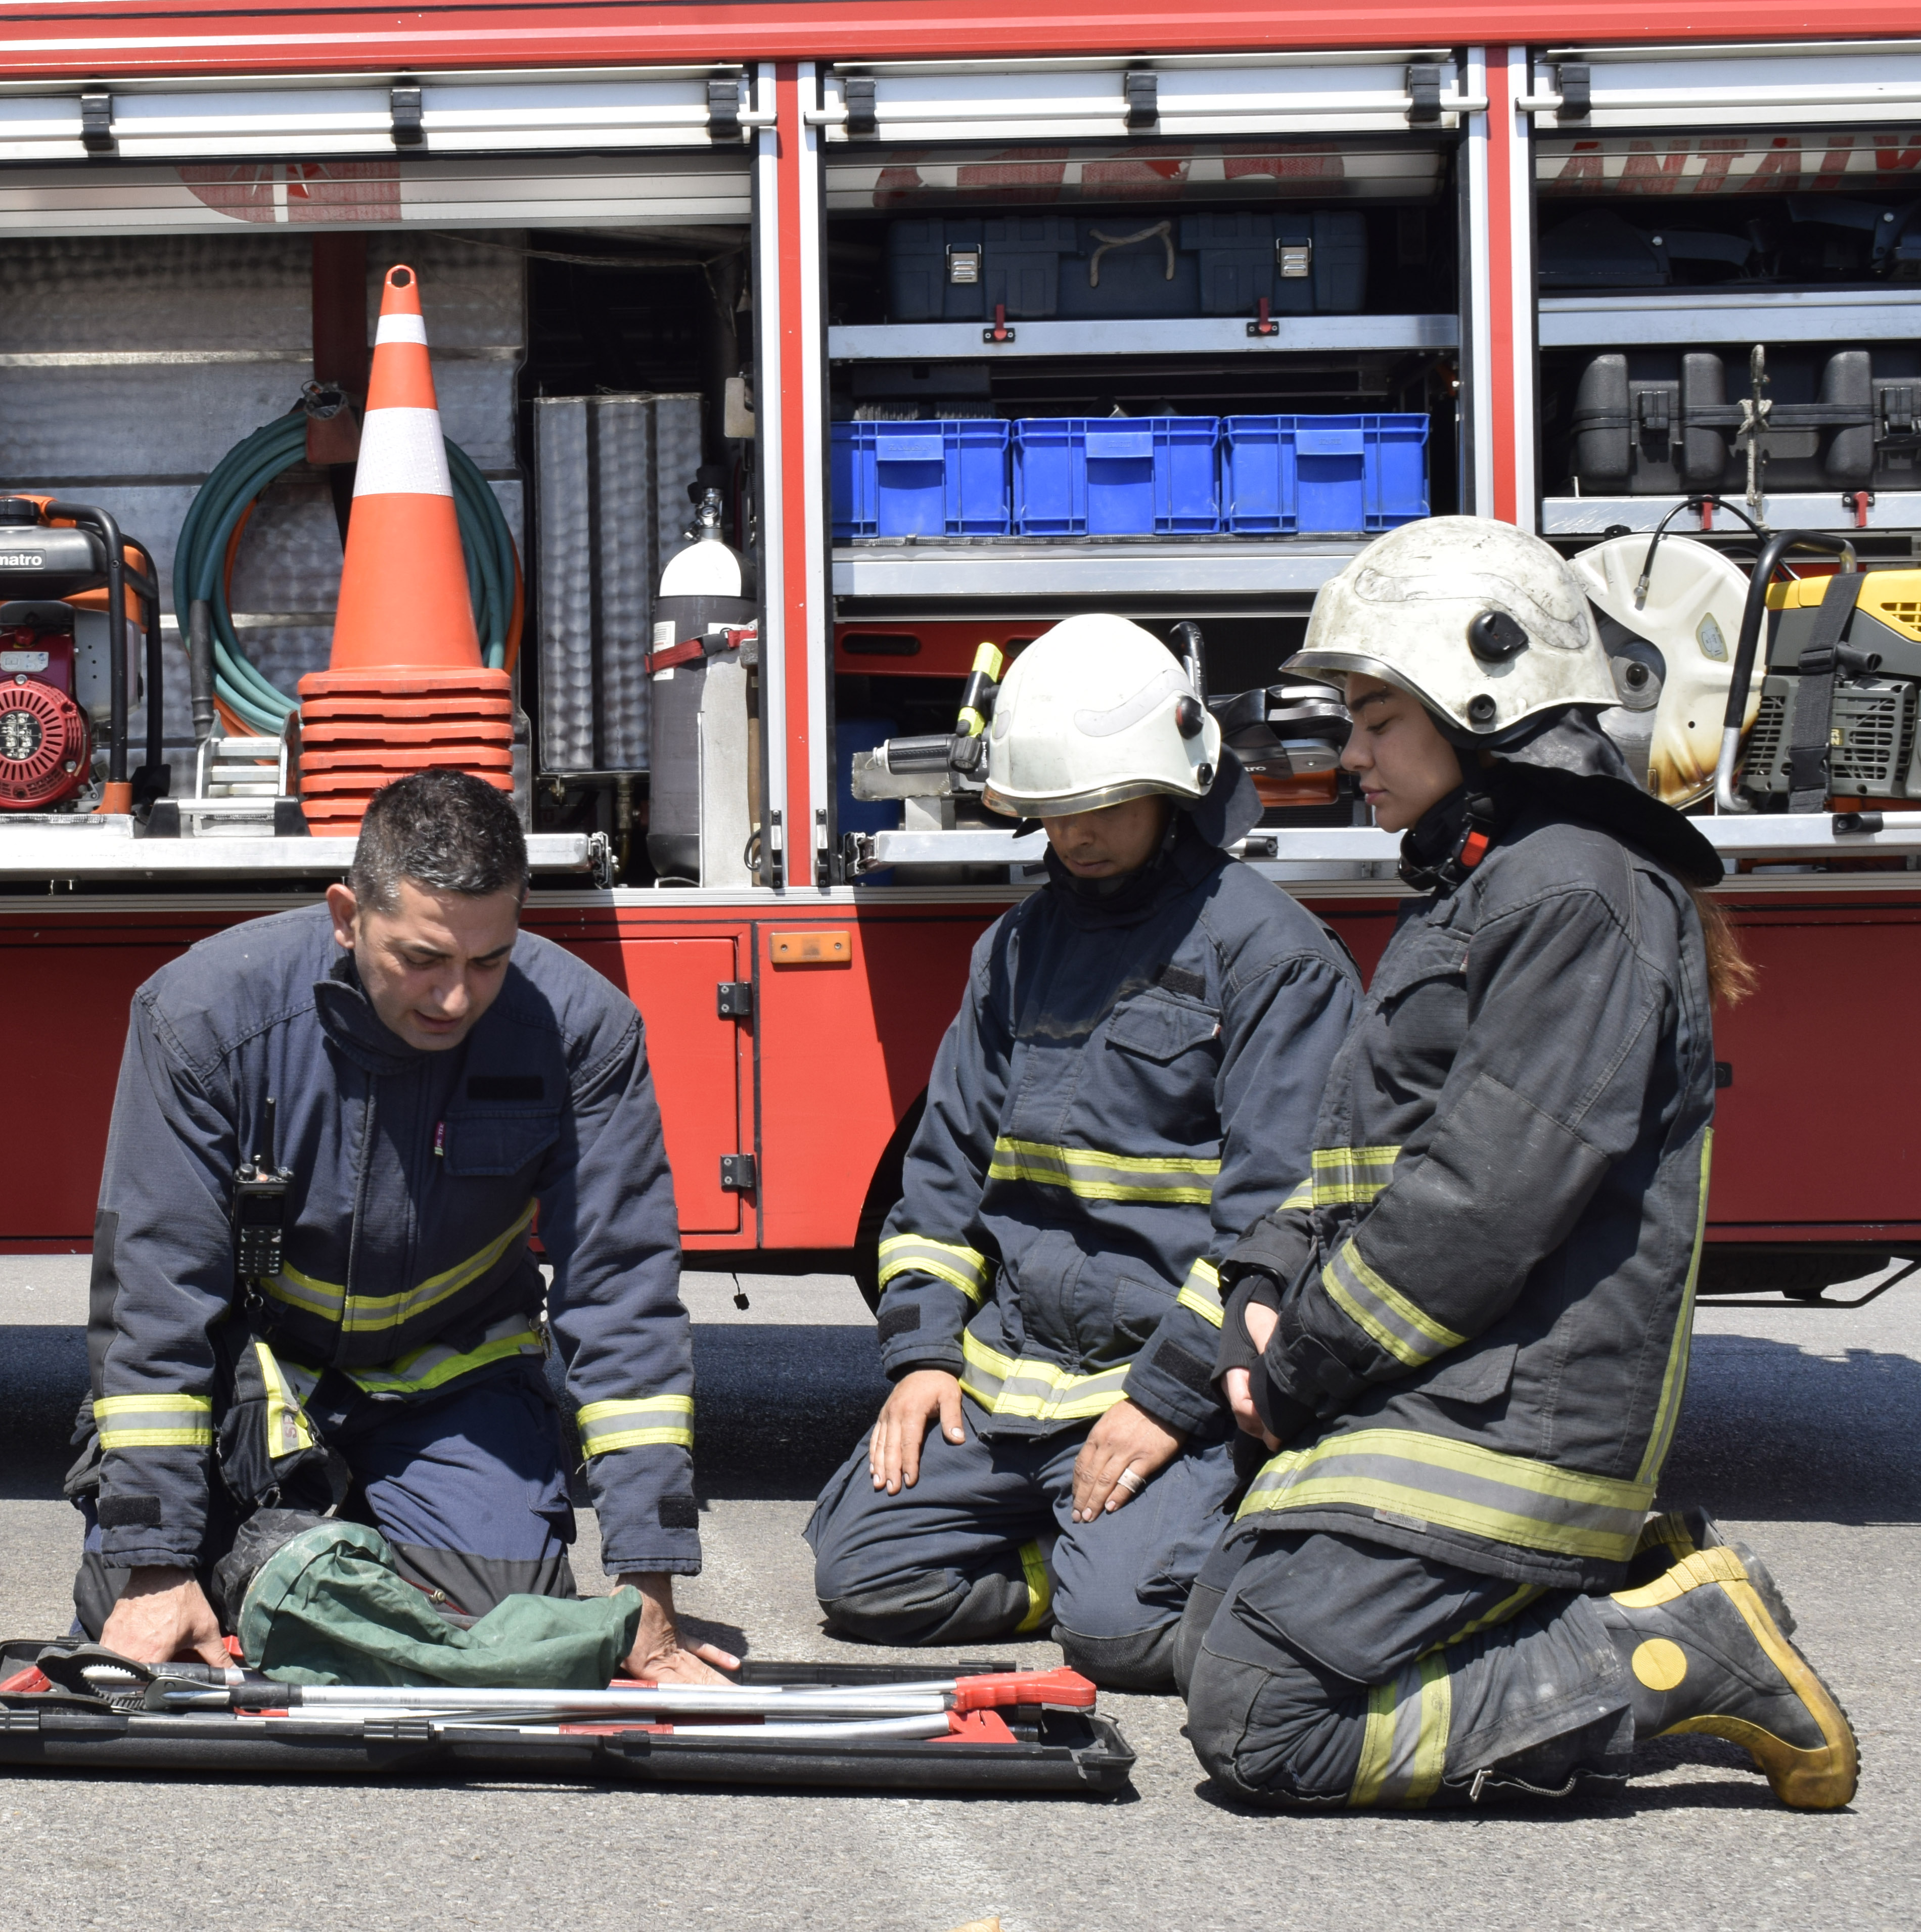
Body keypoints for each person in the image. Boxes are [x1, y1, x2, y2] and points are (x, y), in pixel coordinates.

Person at [1180, 516, 1855, 1809]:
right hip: (1448, 1389)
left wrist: (1308, 1358)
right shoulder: (1487, 886)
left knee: (1262, 1716)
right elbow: (1365, 1160)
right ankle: (1609, 1592)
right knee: (1205, 1628)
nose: (1351, 752)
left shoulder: (1572, 894)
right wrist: (1262, 1285)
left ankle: (1672, 1651)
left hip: (1515, 1416)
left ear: (1482, 701)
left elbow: (1485, 1202)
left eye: (1377, 718)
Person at [72, 768, 730, 1683]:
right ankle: (299, 1547)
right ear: (348, 915)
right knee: (132, 1602)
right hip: (259, 1389)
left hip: (451, 1387)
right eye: (422, 958)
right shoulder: (202, 1017)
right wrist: (155, 1558)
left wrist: (648, 1578)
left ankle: (306, 1556)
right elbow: (156, 1297)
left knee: (515, 1626)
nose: (455, 999)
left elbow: (621, 1297)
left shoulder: (583, 1033)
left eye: (488, 960)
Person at [802, 613, 1359, 1692]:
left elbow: (1277, 1225)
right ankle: (1082, 1558)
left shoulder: (1274, 958)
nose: (1075, 837)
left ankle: (1249, 1537)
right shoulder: (1015, 951)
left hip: (1161, 1388)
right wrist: (922, 1359)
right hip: (1014, 1381)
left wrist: (1164, 1404)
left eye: (1101, 807)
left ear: (1177, 784)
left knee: (1117, 1636)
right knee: (864, 1579)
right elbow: (943, 1179)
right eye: (1053, 813)